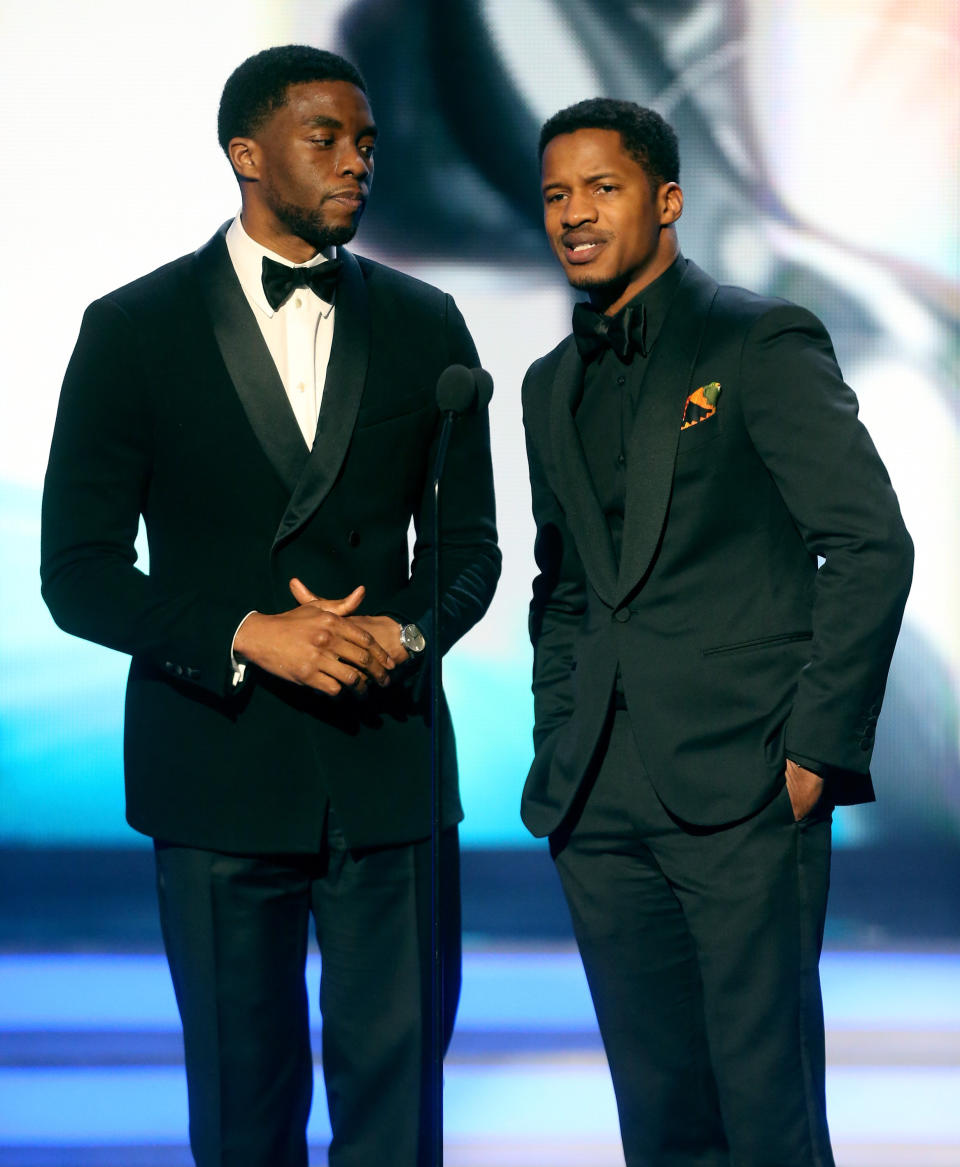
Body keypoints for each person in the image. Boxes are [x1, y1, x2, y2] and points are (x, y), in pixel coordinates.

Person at [41, 45, 499, 1167]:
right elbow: (79, 571)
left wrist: (408, 632)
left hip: (388, 773)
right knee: (243, 1116)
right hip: (218, 772)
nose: (357, 163)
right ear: (246, 154)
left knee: (398, 1118)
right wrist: (248, 634)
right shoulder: (130, 330)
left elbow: (470, 552)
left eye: (368, 143)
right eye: (326, 139)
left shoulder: (428, 325)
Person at [520, 98, 912, 1166]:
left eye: (603, 187)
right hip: (599, 798)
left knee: (769, 1116)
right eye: (557, 194)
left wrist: (816, 750)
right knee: (658, 1120)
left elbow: (870, 544)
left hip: (744, 786)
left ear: (669, 199)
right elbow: (562, 583)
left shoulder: (758, 338)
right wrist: (561, 737)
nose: (575, 213)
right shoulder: (547, 386)